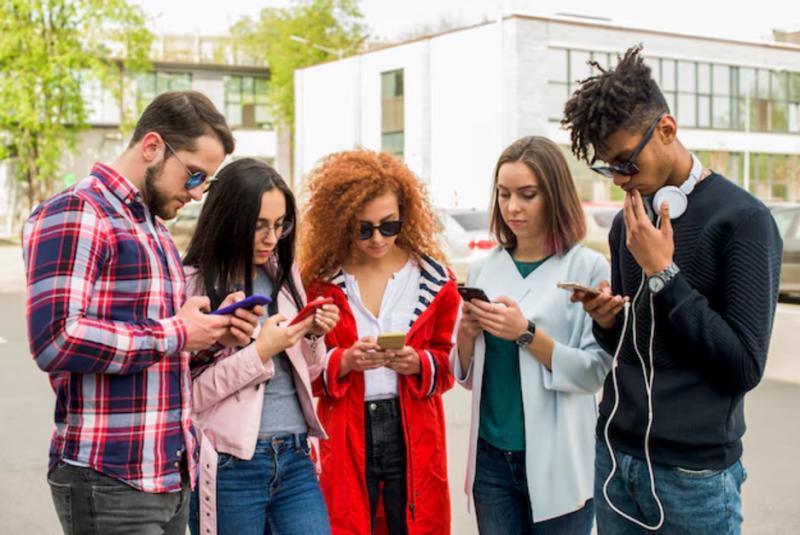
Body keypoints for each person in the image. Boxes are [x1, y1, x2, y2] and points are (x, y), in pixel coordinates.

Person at [561, 44, 783, 534]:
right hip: (617, 459)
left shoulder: (744, 221)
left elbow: (743, 366)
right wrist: (607, 321)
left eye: (627, 163)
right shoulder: (628, 225)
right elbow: (634, 346)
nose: (620, 181)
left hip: (694, 476)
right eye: (608, 168)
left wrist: (664, 273)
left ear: (667, 129)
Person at [22, 91, 260, 534]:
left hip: (168, 473)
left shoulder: (153, 228)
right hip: (109, 477)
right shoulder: (78, 211)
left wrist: (211, 336)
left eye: (203, 184)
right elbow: (55, 340)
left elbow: (164, 351)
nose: (195, 193)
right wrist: (177, 332)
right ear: (152, 146)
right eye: (193, 176)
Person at [451, 136, 610, 534]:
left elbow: (594, 372)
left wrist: (526, 334)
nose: (512, 207)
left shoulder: (588, 267)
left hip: (560, 460)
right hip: (491, 461)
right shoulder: (485, 267)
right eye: (504, 194)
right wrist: (467, 335)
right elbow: (467, 376)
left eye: (527, 194)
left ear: (554, 195)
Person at [299, 150, 459, 534]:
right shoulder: (320, 283)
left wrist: (419, 363)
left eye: (389, 226)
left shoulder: (434, 281)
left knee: (417, 523)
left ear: (405, 215)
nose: (377, 239)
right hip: (345, 429)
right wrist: (344, 361)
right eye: (363, 228)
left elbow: (452, 364)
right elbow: (303, 374)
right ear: (341, 223)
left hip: (414, 428)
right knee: (347, 522)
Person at [183, 158, 339, 535]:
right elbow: (189, 396)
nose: (272, 238)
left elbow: (311, 374)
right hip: (231, 465)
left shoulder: (284, 277)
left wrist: (313, 334)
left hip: (296, 455)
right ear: (229, 219)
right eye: (259, 226)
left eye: (280, 225)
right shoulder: (192, 285)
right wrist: (259, 352)